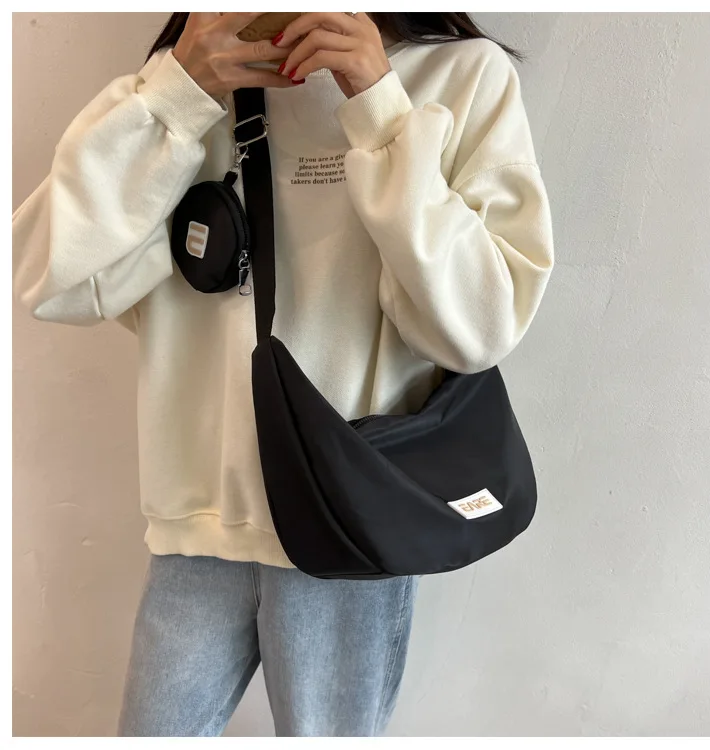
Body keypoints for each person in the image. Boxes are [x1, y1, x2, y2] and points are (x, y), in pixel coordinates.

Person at [12, 11, 554, 738]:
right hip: (198, 528)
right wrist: (175, 94)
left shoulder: (459, 77)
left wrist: (381, 109)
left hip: (348, 527)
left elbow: (479, 327)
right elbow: (48, 278)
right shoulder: (191, 84)